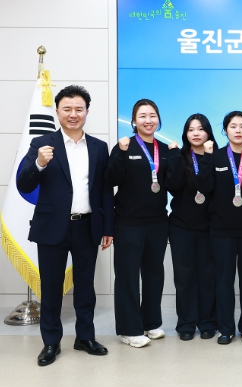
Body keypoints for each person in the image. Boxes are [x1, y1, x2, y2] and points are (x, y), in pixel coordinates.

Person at [17, 85, 114, 366]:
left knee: (85, 287)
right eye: (67, 109)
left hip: (87, 225)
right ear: (58, 112)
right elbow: (24, 184)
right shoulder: (41, 143)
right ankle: (51, 342)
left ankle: (85, 337)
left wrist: (108, 227)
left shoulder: (99, 147)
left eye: (79, 109)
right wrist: (39, 163)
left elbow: (104, 191)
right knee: (51, 288)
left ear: (87, 112)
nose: (73, 114)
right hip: (52, 227)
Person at [106, 99, 175, 348]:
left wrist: (176, 157)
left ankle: (151, 322)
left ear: (158, 119)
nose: (148, 120)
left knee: (154, 274)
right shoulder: (124, 146)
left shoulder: (165, 150)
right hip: (128, 223)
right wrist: (121, 153)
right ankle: (129, 329)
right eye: (142, 116)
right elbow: (110, 179)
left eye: (152, 115)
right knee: (127, 277)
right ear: (134, 121)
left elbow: (173, 185)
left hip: (158, 222)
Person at [196, 111, 242, 345]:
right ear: (225, 130)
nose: (238, 130)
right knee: (223, 281)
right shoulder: (215, 156)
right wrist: (206, 157)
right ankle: (225, 328)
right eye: (233, 126)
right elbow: (204, 187)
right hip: (221, 230)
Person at [166, 114, 219, 341]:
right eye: (191, 129)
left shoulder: (218, 156)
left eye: (200, 129)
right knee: (184, 277)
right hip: (181, 226)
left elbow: (208, 187)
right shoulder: (179, 156)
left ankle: (208, 322)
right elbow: (173, 185)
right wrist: (174, 157)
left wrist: (208, 157)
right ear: (185, 134)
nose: (196, 133)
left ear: (208, 132)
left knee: (209, 276)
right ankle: (186, 323)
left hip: (211, 227)